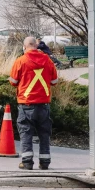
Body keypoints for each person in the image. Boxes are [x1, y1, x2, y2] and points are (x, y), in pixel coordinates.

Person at [9, 36, 58, 170]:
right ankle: (45, 162)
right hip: (43, 104)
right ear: (36, 46)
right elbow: (54, 81)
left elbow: (13, 82)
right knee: (44, 133)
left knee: (26, 132)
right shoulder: (48, 60)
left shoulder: (21, 61)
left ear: (24, 47)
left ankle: (27, 162)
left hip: (26, 104)